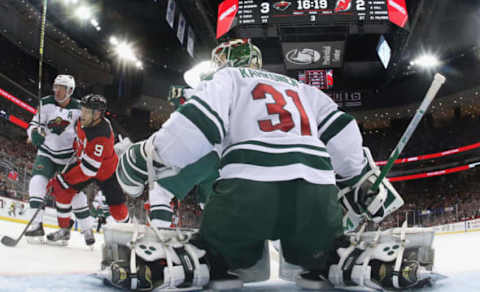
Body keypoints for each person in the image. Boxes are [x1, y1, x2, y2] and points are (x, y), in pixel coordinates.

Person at [109, 39, 436, 291]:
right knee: (324, 252)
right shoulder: (303, 88)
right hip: (315, 193)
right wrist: (358, 178)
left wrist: (148, 156)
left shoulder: (229, 79)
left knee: (215, 252)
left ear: (224, 63)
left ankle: (177, 264)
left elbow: (194, 129)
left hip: (248, 190)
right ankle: (362, 262)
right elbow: (343, 133)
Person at [47, 93, 129, 244]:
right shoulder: (81, 121)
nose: (82, 113)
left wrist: (65, 178)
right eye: (82, 109)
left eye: (86, 111)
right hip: (86, 162)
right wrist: (77, 148)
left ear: (97, 114)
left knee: (118, 210)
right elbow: (79, 140)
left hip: (105, 172)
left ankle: (131, 234)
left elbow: (89, 170)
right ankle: (64, 230)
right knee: (61, 189)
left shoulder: (101, 134)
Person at [25, 74, 95, 246]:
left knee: (75, 194)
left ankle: (87, 229)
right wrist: (33, 133)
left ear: (70, 91)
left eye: (61, 88)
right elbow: (35, 124)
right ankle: (36, 225)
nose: (56, 90)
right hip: (47, 153)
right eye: (55, 87)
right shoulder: (46, 102)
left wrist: (83, 146)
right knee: (36, 182)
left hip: (68, 158)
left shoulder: (80, 109)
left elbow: (89, 132)